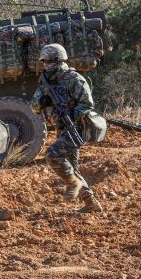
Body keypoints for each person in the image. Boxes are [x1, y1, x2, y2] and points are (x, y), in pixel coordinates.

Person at [30, 43, 102, 213]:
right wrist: (41, 102)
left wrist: (71, 114)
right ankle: (91, 203)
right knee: (72, 168)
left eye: (50, 61)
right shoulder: (45, 81)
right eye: (44, 61)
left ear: (59, 60)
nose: (46, 65)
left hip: (76, 128)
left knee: (52, 155)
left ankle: (73, 184)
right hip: (61, 128)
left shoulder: (74, 79)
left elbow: (87, 104)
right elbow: (33, 107)